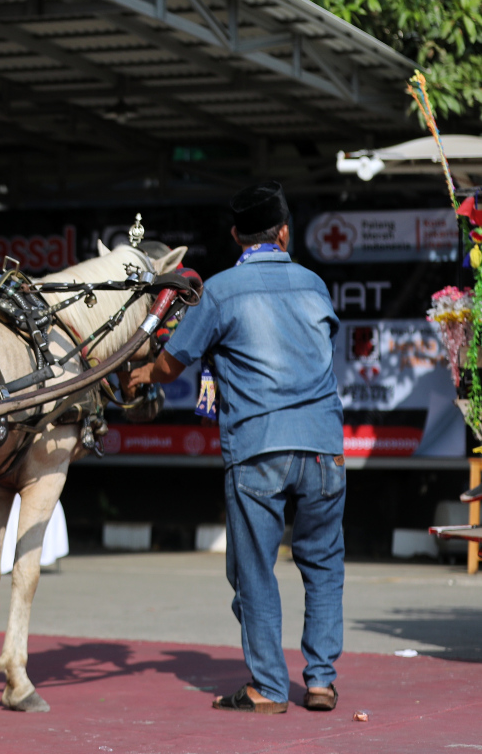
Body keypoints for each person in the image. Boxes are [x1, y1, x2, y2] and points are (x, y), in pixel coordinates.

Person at [127, 181, 344, 714]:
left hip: (258, 450)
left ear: (234, 236)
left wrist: (139, 376)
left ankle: (269, 688)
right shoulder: (314, 284)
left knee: (253, 571)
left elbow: (171, 364)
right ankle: (320, 681)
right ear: (285, 232)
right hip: (323, 450)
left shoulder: (221, 291)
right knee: (323, 567)